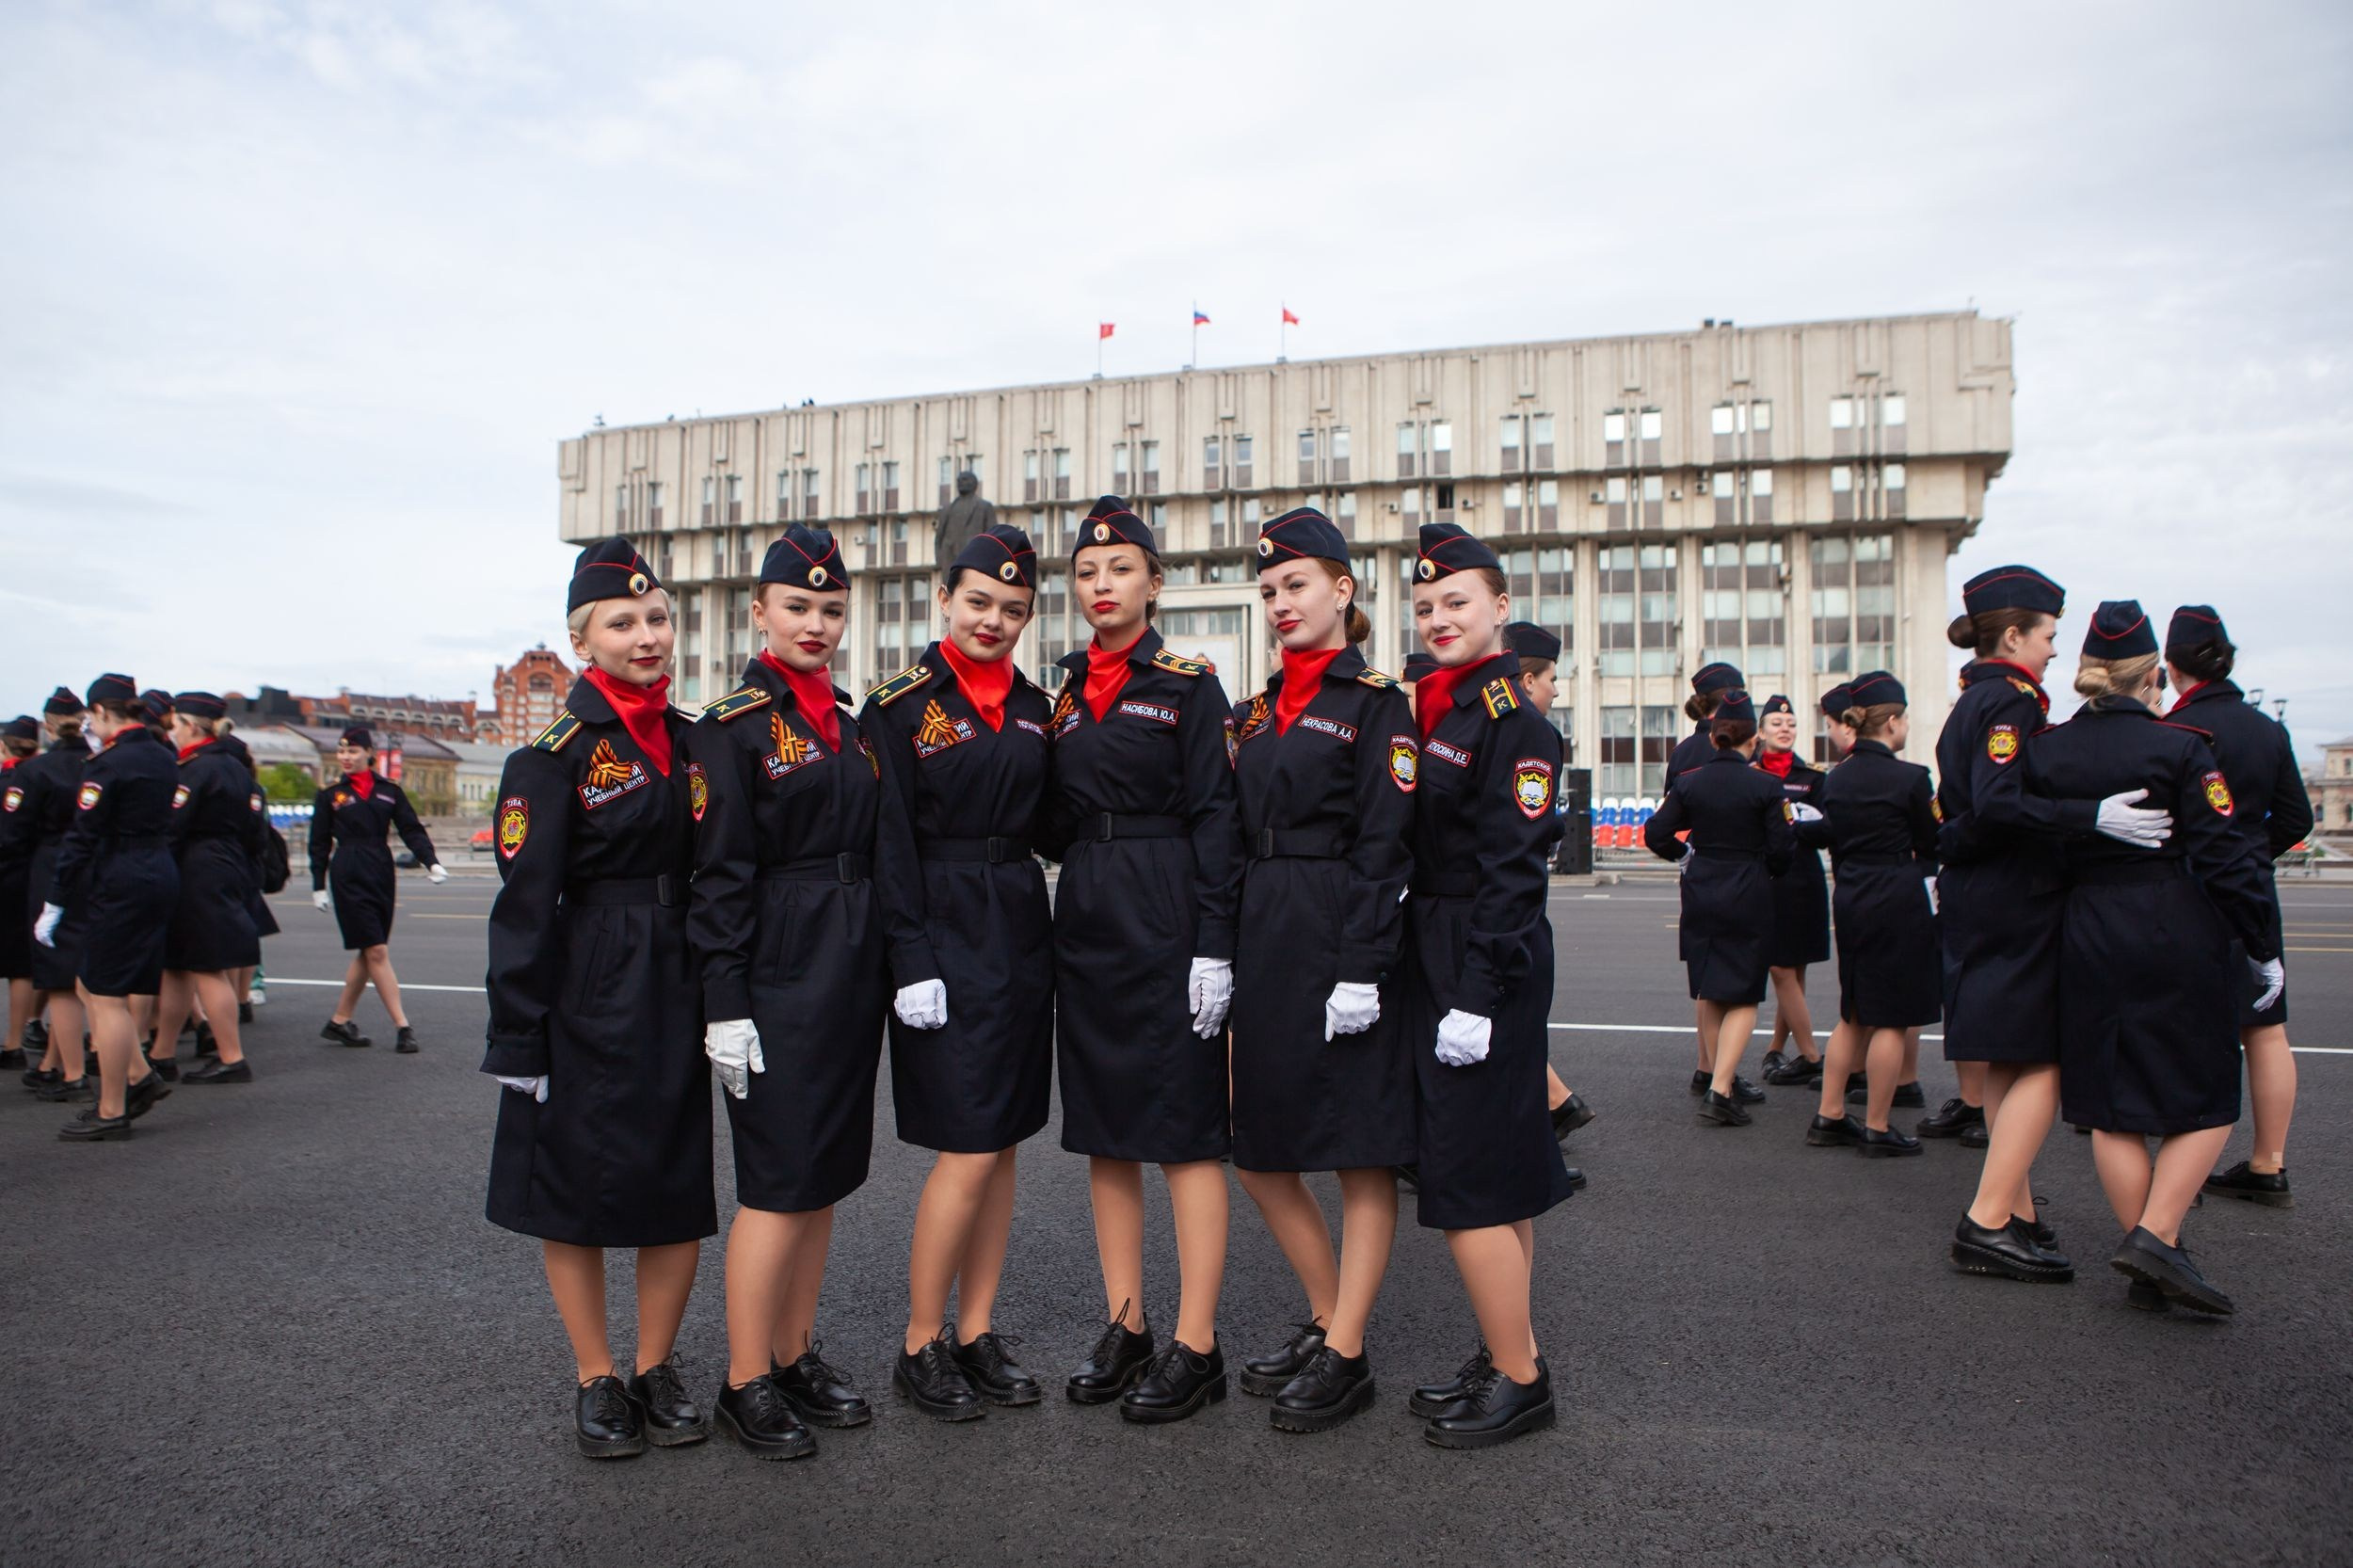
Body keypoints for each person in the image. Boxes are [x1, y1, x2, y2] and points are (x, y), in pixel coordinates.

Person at [483, 538, 714, 1460]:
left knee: (675, 1177)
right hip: (584, 978)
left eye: (657, 617)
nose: (646, 635)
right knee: (570, 1186)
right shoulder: (552, 757)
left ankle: (656, 1366)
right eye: (623, 622)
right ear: (584, 641)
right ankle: (596, 1373)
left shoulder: (697, 741)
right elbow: (523, 904)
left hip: (676, 975)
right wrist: (518, 1034)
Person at [684, 524, 888, 1460]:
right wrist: (723, 999)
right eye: (798, 606)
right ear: (758, 611)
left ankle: (794, 1349)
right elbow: (718, 874)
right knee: (775, 1182)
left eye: (831, 609)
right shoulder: (727, 730)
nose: (816, 623)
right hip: (774, 973)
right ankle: (743, 1378)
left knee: (822, 1179)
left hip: (847, 972)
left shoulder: (849, 726)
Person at [1040, 496, 1242, 1423]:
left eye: (1118, 570)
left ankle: (1195, 1343)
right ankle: (1126, 1324)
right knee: (1108, 1133)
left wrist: (1212, 945)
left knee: (1186, 1136)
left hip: (1167, 911)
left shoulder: (1187, 683)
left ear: (1153, 583)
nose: (1100, 586)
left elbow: (1214, 815)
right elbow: (1049, 815)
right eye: (1085, 573)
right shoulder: (1066, 692)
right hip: (1088, 916)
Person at [2026, 601, 2281, 1314]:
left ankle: (2155, 1251)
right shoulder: (2182, 747)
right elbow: (2228, 859)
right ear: (2151, 676)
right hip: (2173, 927)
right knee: (2208, 1097)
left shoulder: (2046, 749)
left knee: (2112, 1109)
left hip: (2086, 927)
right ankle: (2157, 1236)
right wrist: (2261, 944)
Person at [1226, 506, 1417, 1434]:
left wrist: (1363, 967)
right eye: (1267, 591)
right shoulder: (1255, 710)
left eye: (1295, 584)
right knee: (1260, 1149)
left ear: (1341, 589)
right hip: (1266, 927)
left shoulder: (1377, 703)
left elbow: (1388, 843)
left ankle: (1344, 1349)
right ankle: (1326, 1311)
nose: (1279, 603)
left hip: (1341, 925)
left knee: (1358, 1149)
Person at [861, 522, 1055, 1423]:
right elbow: (886, 843)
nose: (994, 621)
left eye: (1013, 610)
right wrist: (910, 956)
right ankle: (919, 1341)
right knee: (967, 1145)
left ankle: (976, 1330)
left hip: (1017, 923)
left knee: (1004, 1139)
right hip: (939, 927)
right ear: (945, 599)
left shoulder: (1036, 705)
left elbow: (1054, 822)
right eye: (979, 602)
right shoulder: (897, 707)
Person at [1938, 568, 2171, 1285]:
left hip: (1986, 895)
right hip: (2015, 896)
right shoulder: (2008, 704)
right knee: (2045, 1058)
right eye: (2047, 635)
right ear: (2013, 635)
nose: (2051, 651)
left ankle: (2016, 1214)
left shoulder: (1983, 700)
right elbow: (1998, 802)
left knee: (2012, 1059)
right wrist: (2087, 816)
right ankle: (1985, 1221)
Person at [1401, 526, 1577, 1448]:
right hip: (1445, 938)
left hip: (1482, 949)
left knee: (1466, 1171)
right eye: (1425, 606)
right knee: (1503, 1170)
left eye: (1456, 602)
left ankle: (1520, 1377)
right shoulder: (1443, 705)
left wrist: (1475, 992)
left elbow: (1514, 869)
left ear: (1500, 610)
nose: (1438, 617)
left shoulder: (1514, 717)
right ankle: (1508, 1345)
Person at [2166, 607, 2314, 1209]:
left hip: (2188, 890)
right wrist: (2252, 852)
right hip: (2253, 888)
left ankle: (2182, 1167)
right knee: (2267, 1029)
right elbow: (2298, 819)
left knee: (2189, 1027)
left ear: (2172, 668)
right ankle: (2268, 1164)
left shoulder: (2177, 729)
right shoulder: (2266, 730)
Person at [1791, 672, 1940, 1156]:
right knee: (1892, 1020)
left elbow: (1830, 832)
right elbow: (1931, 841)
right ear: (1892, 721)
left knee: (1853, 1011)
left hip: (1851, 895)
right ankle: (1877, 1124)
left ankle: (1829, 1113)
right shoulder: (1911, 778)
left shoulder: (1836, 779)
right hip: (1897, 895)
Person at [34, 675, 179, 1141]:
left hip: (122, 877)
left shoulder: (110, 763)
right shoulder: (161, 752)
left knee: (107, 995)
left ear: (99, 712)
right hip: (156, 869)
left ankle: (112, 1108)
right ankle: (139, 1076)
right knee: (89, 983)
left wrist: (55, 900)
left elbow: (81, 837)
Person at [1642, 689, 1792, 1127]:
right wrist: (1768, 868)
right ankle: (1722, 1088)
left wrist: (1687, 857)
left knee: (1709, 987)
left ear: (1715, 738)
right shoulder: (1766, 785)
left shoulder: (1691, 782)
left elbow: (1656, 833)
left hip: (1702, 886)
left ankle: (1714, 1076)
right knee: (1744, 993)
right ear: (1753, 741)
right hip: (1748, 887)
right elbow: (1783, 850)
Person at [1504, 622, 1592, 1160]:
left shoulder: (1526, 730)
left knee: (1511, 1019)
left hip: (1509, 897)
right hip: (1509, 897)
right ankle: (1549, 1115)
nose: (1556, 690)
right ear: (1529, 677)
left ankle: (1543, 1126)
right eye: (1552, 679)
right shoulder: (1526, 727)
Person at [147, 693, 263, 1085]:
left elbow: (173, 826)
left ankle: (231, 1056)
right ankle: (162, 1053)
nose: (171, 731)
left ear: (193, 727)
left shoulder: (194, 770)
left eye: (176, 724)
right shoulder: (233, 767)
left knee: (207, 968)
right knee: (178, 967)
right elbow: (254, 829)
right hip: (225, 863)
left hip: (197, 868)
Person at [309, 725, 445, 1053]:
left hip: (381, 871)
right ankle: (403, 1026)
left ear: (369, 754)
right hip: (348, 871)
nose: (345, 757)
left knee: (369, 949)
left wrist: (431, 861)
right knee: (377, 951)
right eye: (341, 751)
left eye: (352, 751)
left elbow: (410, 829)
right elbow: (318, 844)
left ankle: (340, 1021)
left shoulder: (389, 791)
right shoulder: (330, 796)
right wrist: (318, 885)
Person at [1668, 662, 1765, 1105]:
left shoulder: (1685, 750)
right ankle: (1721, 1075)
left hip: (1697, 870)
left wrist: (1686, 856)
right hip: (1742, 874)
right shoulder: (1737, 745)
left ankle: (1707, 1067)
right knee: (1738, 982)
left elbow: (1668, 816)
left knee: (1705, 976)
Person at [10, 689, 94, 1101]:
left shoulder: (36, 771)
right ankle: (55, 1063)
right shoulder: (98, 764)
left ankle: (71, 1073)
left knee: (59, 979)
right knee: (91, 973)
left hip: (49, 869)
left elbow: (12, 835)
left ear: (48, 724)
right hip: (96, 870)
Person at [1753, 695, 1829, 1083]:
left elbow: (1829, 829)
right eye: (1777, 724)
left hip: (1803, 881)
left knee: (1792, 973)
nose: (1785, 729)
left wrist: (1794, 825)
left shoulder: (1814, 778)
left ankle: (1782, 1050)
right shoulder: (1751, 774)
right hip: (1766, 882)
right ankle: (1809, 1054)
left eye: (1791, 724)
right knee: (1782, 968)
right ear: (1761, 732)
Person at [0, 714, 40, 1072]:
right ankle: (15, 1041)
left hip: (6, 873)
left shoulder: (8, 782)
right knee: (20, 966)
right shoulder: (44, 776)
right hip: (33, 876)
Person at [934, 470, 999, 568]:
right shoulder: (947, 509)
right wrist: (939, 560)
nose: (960, 482)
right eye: (958, 480)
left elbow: (993, 536)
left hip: (975, 559)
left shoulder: (985, 506)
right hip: (950, 562)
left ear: (974, 483)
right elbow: (939, 537)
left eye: (964, 480)